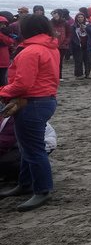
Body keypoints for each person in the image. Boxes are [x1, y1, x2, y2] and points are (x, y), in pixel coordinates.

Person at [0, 14, 60, 211]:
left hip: (32, 102)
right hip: (45, 100)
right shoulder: (49, 48)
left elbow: (23, 84)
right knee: (27, 146)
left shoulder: (30, 52)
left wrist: (3, 91)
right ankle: (24, 183)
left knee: (33, 149)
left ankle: (42, 190)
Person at [69, 11, 91, 79]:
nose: (80, 19)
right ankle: (78, 75)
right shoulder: (73, 26)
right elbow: (71, 35)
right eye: (79, 17)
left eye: (82, 17)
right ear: (76, 18)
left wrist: (86, 28)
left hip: (88, 45)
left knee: (88, 60)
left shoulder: (89, 25)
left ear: (84, 18)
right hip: (78, 45)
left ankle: (87, 74)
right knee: (78, 60)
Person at [0, 15, 13, 86]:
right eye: (1, 24)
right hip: (3, 60)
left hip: (4, 60)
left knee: (3, 79)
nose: (3, 26)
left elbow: (9, 41)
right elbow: (9, 41)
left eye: (4, 24)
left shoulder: (6, 33)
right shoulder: (5, 34)